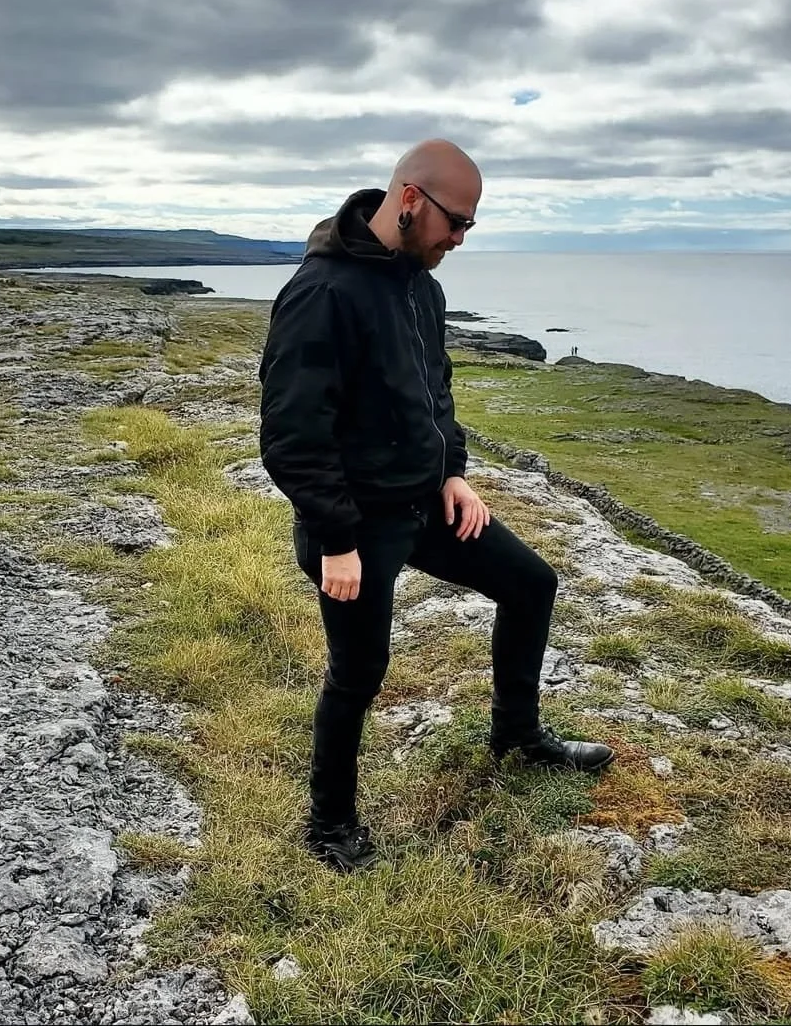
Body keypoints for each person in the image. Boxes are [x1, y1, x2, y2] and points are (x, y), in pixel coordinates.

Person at [258, 139, 615, 873]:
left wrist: (451, 471)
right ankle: (329, 827)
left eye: (470, 230)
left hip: (424, 503)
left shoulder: (422, 283)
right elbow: (292, 434)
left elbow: (435, 391)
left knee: (531, 584)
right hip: (355, 529)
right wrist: (335, 540)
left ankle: (516, 737)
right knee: (357, 675)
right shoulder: (321, 292)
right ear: (411, 200)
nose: (459, 240)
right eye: (457, 223)